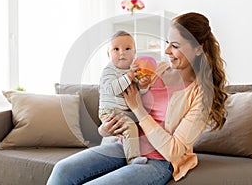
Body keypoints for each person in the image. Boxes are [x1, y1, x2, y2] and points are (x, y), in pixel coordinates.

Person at [47, 12, 228, 185]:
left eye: (175, 46)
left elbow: (173, 151)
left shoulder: (201, 96)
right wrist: (105, 129)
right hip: (125, 146)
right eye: (167, 43)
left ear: (198, 49)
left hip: (159, 161)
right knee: (62, 169)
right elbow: (118, 104)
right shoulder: (158, 70)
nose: (166, 50)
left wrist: (138, 109)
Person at [98, 30, 153, 164]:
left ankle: (122, 153)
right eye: (116, 49)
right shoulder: (109, 70)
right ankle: (133, 159)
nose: (122, 52)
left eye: (127, 49)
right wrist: (129, 76)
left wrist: (144, 85)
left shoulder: (134, 70)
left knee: (139, 127)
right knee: (129, 127)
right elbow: (112, 89)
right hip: (110, 112)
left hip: (126, 112)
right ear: (108, 54)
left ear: (134, 53)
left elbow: (139, 93)